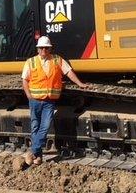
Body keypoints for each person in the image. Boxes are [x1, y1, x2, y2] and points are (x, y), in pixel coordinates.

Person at [21, 35, 88, 165]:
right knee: (35, 127)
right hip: (34, 100)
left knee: (44, 127)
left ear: (50, 49)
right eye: (41, 48)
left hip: (49, 101)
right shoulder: (31, 62)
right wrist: (29, 95)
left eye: (46, 48)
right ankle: (38, 156)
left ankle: (33, 152)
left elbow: (68, 72)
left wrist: (79, 83)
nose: (44, 50)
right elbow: (25, 80)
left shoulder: (57, 60)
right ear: (38, 49)